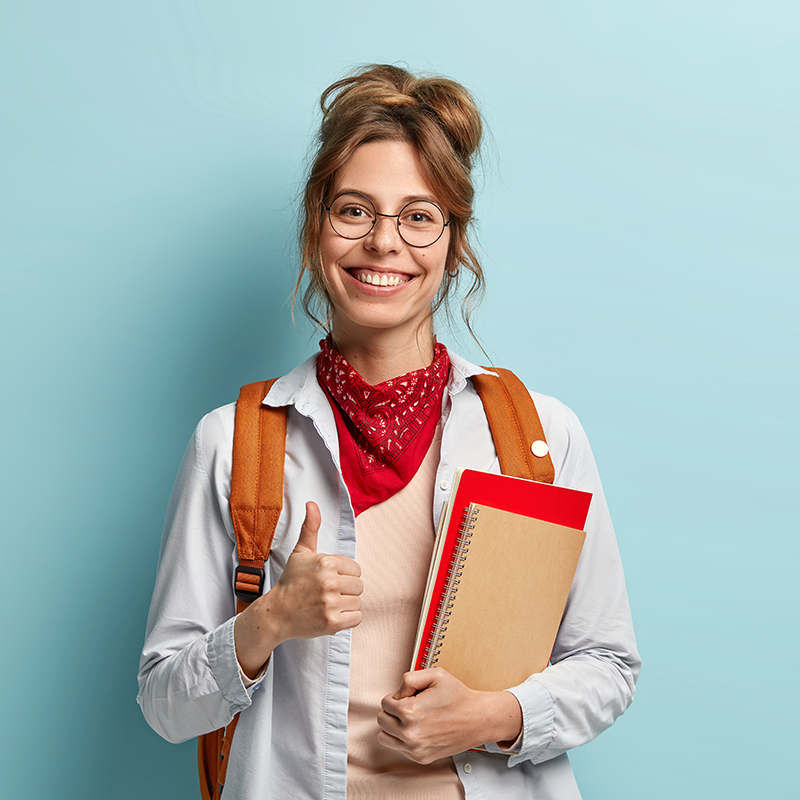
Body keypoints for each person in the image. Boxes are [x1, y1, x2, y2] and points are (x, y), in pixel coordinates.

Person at [138, 64, 640, 800]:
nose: (383, 243)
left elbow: (608, 663)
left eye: (417, 215)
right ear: (317, 226)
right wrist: (269, 620)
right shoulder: (233, 444)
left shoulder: (537, 438)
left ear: (452, 241)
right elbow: (164, 704)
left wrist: (496, 715)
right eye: (354, 211)